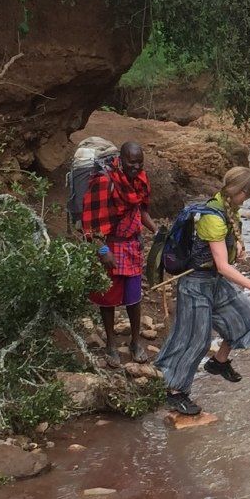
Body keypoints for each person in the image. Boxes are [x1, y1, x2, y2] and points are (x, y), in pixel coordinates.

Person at [156, 165, 250, 417]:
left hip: (214, 282)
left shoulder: (229, 209)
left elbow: (224, 258)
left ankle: (219, 362)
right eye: (248, 194)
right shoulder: (212, 216)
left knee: (246, 315)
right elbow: (222, 265)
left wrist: (238, 250)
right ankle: (175, 392)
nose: (248, 199)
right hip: (195, 285)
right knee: (194, 339)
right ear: (239, 191)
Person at [80, 142, 151, 361]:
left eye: (139, 161)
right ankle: (111, 344)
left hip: (131, 246)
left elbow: (140, 210)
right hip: (109, 246)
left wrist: (157, 231)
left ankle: (135, 342)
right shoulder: (104, 182)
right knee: (108, 298)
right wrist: (102, 250)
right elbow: (90, 222)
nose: (136, 166)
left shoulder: (139, 179)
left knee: (134, 297)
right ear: (121, 159)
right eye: (131, 161)